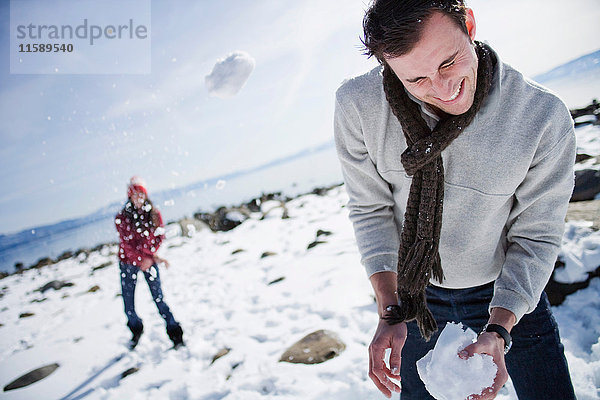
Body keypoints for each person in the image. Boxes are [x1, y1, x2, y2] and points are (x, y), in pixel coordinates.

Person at [333, 1, 576, 399]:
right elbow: (370, 209)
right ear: (388, 70)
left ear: (470, 24)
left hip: (508, 289)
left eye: (449, 62)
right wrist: (389, 308)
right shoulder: (358, 106)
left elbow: (536, 235)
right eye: (418, 79)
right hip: (414, 295)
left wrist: (499, 327)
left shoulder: (542, 116)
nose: (445, 89)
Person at [115, 176, 184, 349]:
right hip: (128, 263)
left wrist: (149, 257)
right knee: (128, 304)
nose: (138, 198)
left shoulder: (154, 214)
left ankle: (175, 333)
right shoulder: (122, 217)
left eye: (141, 194)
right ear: (129, 196)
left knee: (159, 298)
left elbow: (159, 236)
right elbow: (127, 244)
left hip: (149, 261)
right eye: (135, 194)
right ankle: (136, 330)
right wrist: (144, 259)